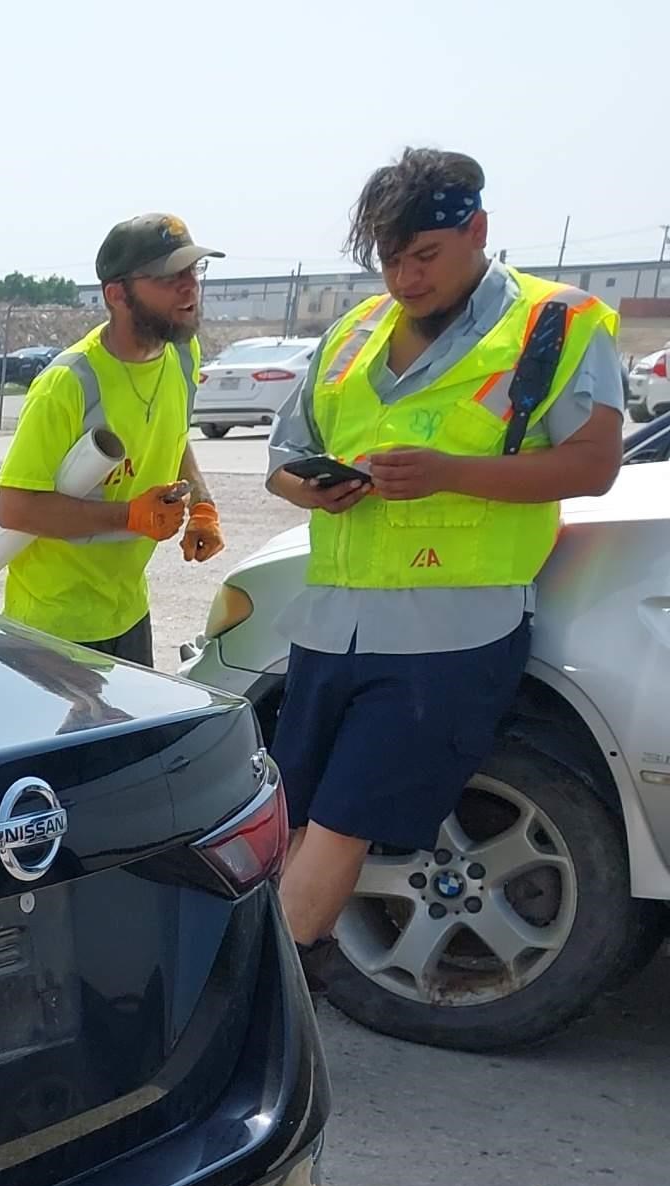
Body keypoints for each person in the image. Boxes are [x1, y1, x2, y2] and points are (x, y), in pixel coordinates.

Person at [265, 149, 623, 983]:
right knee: (292, 815)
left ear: (478, 231)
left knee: (347, 820)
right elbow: (283, 459)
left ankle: (253, 999)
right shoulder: (353, 334)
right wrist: (313, 492)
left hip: (451, 632)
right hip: (334, 625)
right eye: (389, 260)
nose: (403, 278)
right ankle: (264, 985)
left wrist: (450, 471)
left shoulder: (556, 324)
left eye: (423, 255)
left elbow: (592, 465)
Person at [0, 215, 227, 666]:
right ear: (117, 294)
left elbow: (174, 436)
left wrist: (202, 505)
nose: (190, 288)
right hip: (53, 627)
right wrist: (130, 515)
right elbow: (15, 509)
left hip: (128, 613)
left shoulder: (181, 354)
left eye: (193, 272)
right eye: (170, 277)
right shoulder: (68, 383)